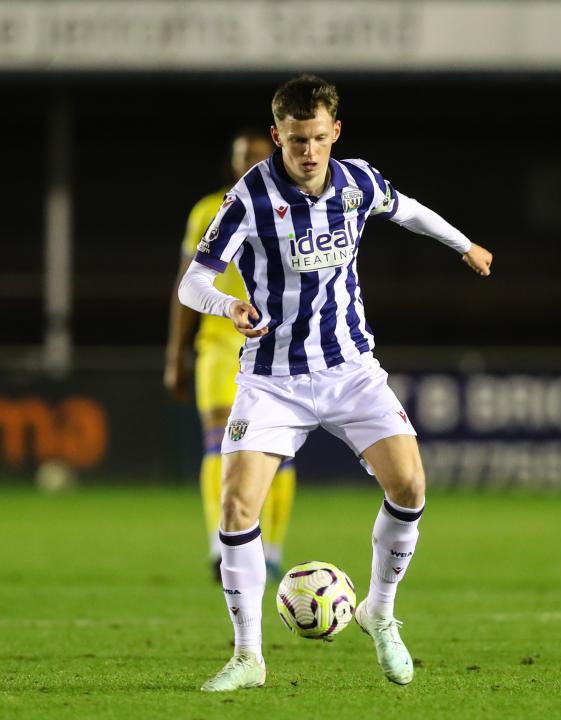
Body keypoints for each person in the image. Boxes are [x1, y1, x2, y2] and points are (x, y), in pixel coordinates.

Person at [178, 74, 493, 692]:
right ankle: (248, 657)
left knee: (410, 485)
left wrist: (463, 245)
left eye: (319, 138)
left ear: (335, 132)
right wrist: (228, 308)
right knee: (238, 504)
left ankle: (380, 608)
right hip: (271, 377)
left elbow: (407, 210)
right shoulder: (248, 197)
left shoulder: (358, 180)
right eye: (297, 140)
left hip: (349, 368)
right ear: (278, 136)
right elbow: (194, 281)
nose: (309, 152)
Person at [164, 131, 297, 583]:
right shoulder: (208, 211)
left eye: (257, 157)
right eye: (242, 158)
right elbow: (185, 285)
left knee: (276, 446)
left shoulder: (297, 206)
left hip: (274, 342)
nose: (248, 166)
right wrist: (174, 356)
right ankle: (220, 545)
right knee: (220, 438)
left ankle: (272, 548)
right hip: (218, 341)